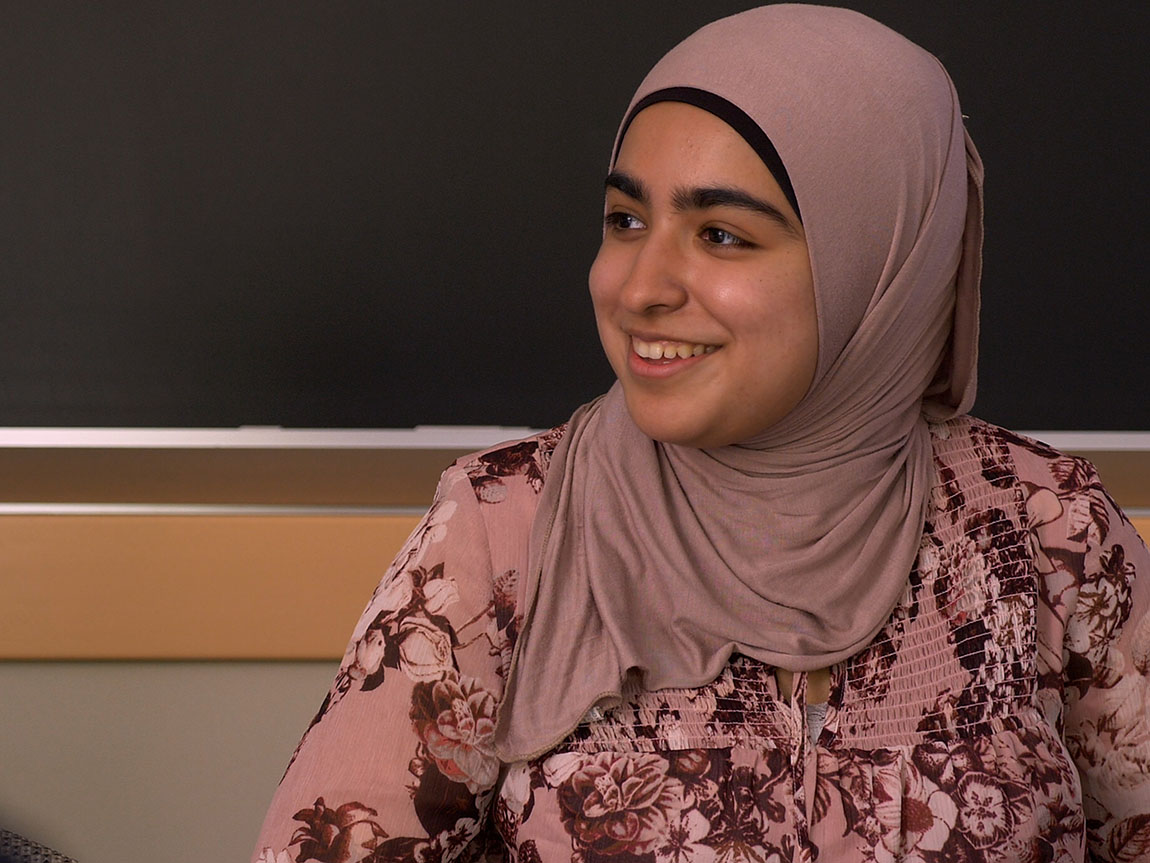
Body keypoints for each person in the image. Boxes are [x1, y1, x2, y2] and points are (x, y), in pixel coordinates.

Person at [253, 6, 1150, 862]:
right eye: (626, 220)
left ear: (880, 267)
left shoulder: (1045, 529)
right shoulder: (507, 529)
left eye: (720, 234)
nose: (639, 286)